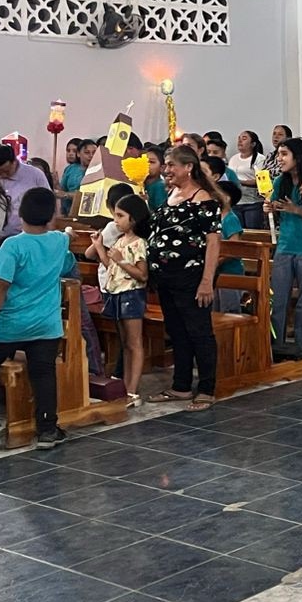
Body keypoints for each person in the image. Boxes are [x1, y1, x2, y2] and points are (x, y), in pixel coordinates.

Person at [0, 187, 71, 451]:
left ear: (20, 213)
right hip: (47, 324)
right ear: (50, 216)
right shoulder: (59, 241)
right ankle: (47, 429)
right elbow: (66, 248)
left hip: (13, 324)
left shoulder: (13, 245)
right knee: (43, 372)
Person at [146, 147, 224, 411]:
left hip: (191, 276)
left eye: (171, 165)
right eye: (166, 165)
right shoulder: (171, 194)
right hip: (166, 277)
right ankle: (180, 386)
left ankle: (206, 388)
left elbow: (213, 243)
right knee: (177, 331)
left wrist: (206, 281)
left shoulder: (204, 200)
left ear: (188, 167)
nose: (166, 170)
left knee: (199, 331)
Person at [267, 137, 302, 362]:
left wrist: (295, 209)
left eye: (284, 154)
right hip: (285, 245)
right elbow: (278, 209)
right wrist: (270, 207)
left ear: (297, 157)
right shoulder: (281, 181)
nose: (279, 159)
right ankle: (276, 346)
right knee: (278, 298)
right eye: (279, 154)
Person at [92, 194, 149, 407]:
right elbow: (112, 268)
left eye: (120, 215)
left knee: (134, 343)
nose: (116, 220)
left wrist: (121, 260)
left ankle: (133, 391)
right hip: (116, 293)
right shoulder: (120, 240)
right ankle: (125, 386)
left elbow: (142, 275)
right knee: (125, 344)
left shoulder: (139, 243)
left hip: (131, 295)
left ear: (133, 219)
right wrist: (99, 247)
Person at [0, 144, 50, 235]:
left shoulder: (35, 175)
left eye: (6, 171)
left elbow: (48, 205)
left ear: (15, 161)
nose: (3, 175)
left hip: (24, 235)